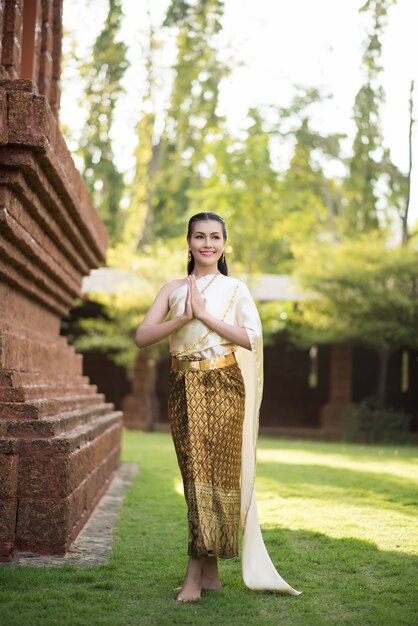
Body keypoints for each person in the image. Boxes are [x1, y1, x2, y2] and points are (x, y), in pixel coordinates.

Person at [134, 211, 302, 602]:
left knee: (218, 480)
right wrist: (183, 318)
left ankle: (195, 576)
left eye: (214, 237)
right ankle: (208, 573)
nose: (207, 244)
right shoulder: (172, 288)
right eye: (199, 237)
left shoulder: (236, 289)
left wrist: (206, 314)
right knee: (195, 480)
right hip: (182, 384)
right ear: (188, 242)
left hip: (225, 384)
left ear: (224, 244)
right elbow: (143, 336)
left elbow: (250, 338)